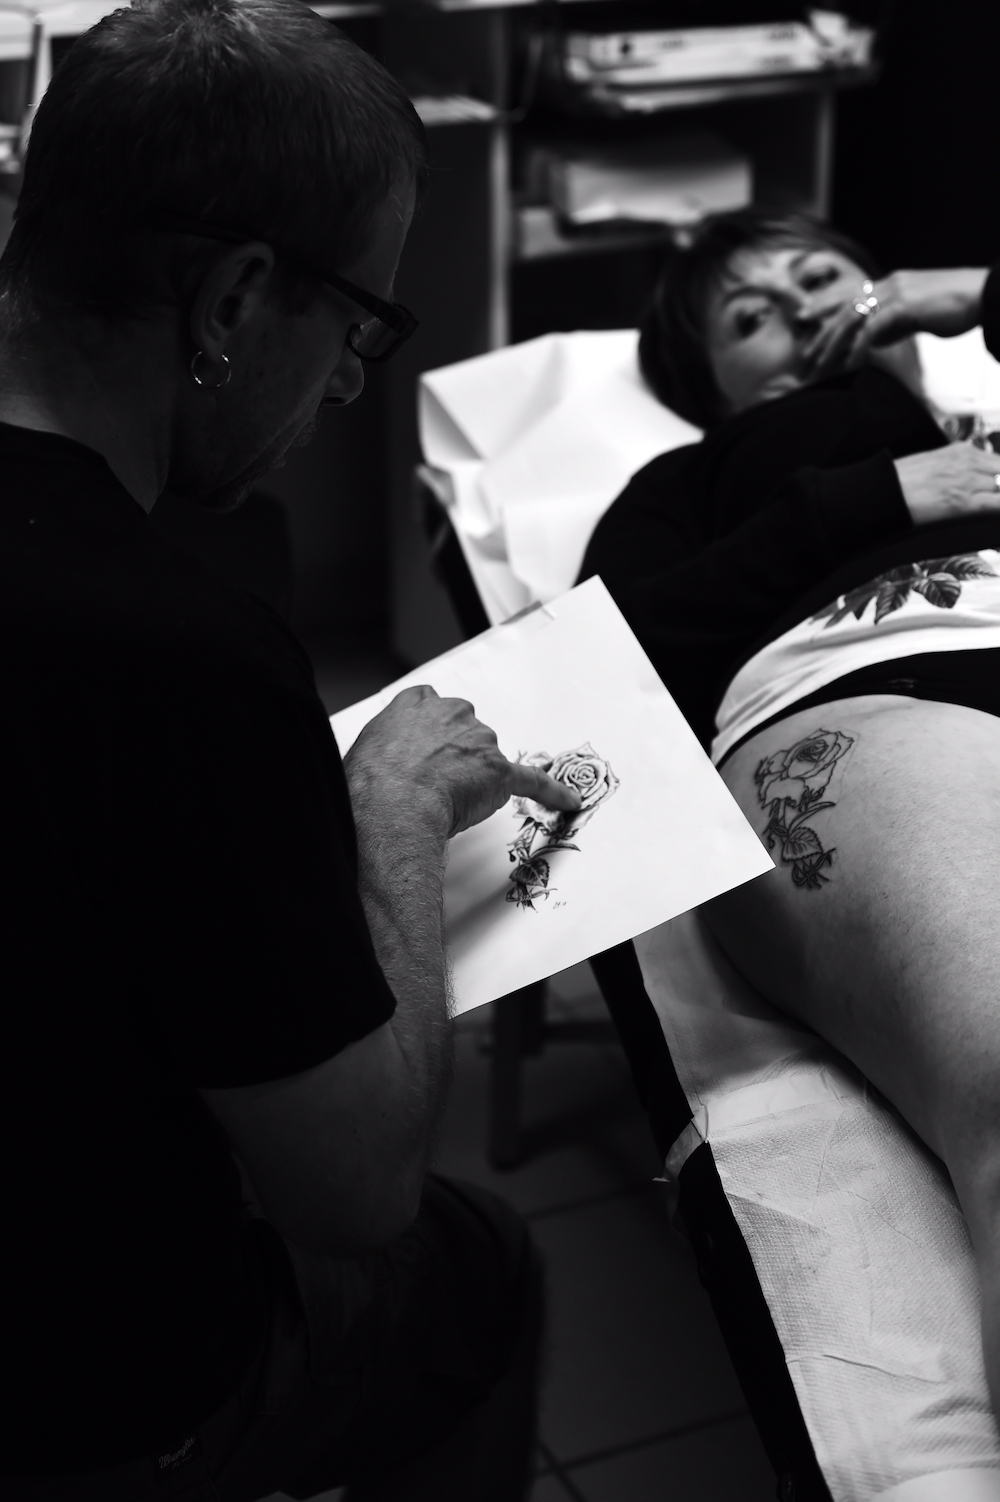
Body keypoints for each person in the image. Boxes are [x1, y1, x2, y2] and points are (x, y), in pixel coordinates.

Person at [0, 1, 582, 1498]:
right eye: (358, 323)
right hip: (72, 1393)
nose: (346, 383)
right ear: (238, 299)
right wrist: (392, 809)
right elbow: (355, 1191)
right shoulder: (172, 653)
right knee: (468, 1268)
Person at [581, 208, 1000, 1412]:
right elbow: (608, 652)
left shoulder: (973, 410)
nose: (803, 307)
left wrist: (979, 288)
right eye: (749, 317)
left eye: (820, 276)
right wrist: (875, 497)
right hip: (862, 691)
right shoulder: (687, 479)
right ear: (709, 383)